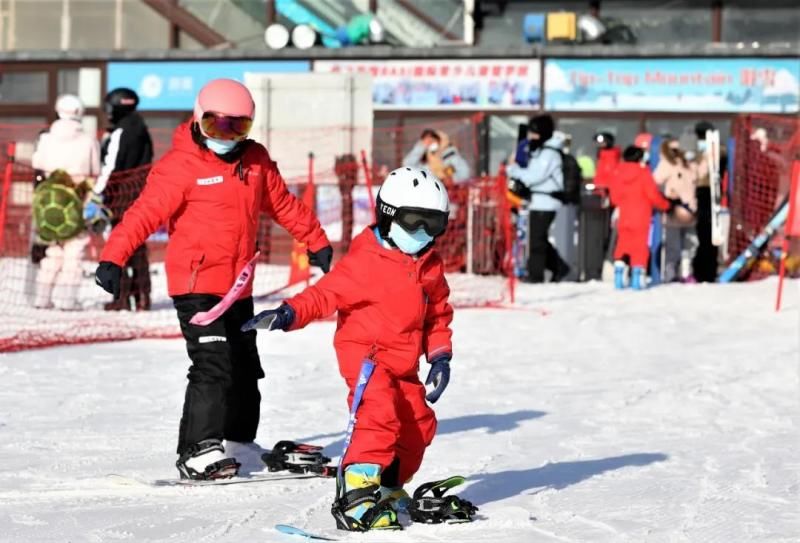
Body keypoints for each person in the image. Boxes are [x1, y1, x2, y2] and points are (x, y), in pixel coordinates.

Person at [94, 79, 333, 480]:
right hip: (195, 284)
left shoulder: (254, 161)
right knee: (212, 364)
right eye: (216, 126)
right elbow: (143, 214)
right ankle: (197, 449)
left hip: (237, 284)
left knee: (245, 366)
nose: (226, 137)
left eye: (237, 128)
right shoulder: (179, 166)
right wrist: (113, 259)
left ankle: (238, 439)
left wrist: (316, 240)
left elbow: (283, 203)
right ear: (197, 118)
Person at [242, 167, 468, 531]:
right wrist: (286, 313)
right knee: (378, 418)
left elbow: (438, 313)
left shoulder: (429, 265)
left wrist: (440, 355)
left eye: (434, 224)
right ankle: (357, 497)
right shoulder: (365, 262)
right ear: (388, 214)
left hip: (404, 362)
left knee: (418, 427)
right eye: (415, 222)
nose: (424, 234)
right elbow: (323, 294)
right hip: (368, 357)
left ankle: (388, 487)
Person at [31, 94, 101, 310]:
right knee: (74, 250)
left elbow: (37, 163)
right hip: (76, 201)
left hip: (49, 202)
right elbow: (95, 170)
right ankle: (67, 300)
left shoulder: (46, 138)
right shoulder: (88, 140)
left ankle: (41, 298)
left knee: (52, 250)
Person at [96, 88, 154, 311]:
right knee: (138, 247)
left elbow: (112, 166)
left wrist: (97, 195)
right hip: (140, 193)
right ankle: (142, 297)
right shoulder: (140, 126)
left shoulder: (122, 130)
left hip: (121, 196)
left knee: (119, 244)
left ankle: (120, 297)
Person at [507, 114, 570, 283]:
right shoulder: (540, 152)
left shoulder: (549, 154)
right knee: (538, 239)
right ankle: (559, 267)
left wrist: (513, 170)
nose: (531, 138)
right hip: (537, 202)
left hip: (546, 203)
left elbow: (534, 176)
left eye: (534, 133)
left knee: (537, 241)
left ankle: (536, 275)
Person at [609, 145, 672, 290]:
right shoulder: (643, 173)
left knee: (622, 245)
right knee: (639, 247)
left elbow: (614, 197)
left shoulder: (618, 172)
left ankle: (619, 276)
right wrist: (666, 205)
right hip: (641, 214)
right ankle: (637, 278)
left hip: (624, 215)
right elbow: (652, 195)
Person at [653, 137, 697, 282]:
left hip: (690, 210)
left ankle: (686, 272)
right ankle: (670, 272)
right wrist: (667, 197)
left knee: (690, 244)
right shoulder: (666, 165)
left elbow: (698, 177)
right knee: (673, 245)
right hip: (674, 210)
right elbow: (655, 181)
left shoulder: (689, 165)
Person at [690, 120, 721, 282]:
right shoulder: (692, 152)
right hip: (699, 193)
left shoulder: (716, 150)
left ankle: (707, 271)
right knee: (703, 235)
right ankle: (701, 271)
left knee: (709, 236)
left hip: (710, 194)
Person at [402, 128, 471, 185]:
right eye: (427, 142)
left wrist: (453, 179)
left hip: (450, 193)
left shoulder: (450, 156)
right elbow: (407, 164)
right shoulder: (424, 160)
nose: (430, 144)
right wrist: (420, 147)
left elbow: (465, 171)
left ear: (439, 140)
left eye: (432, 140)